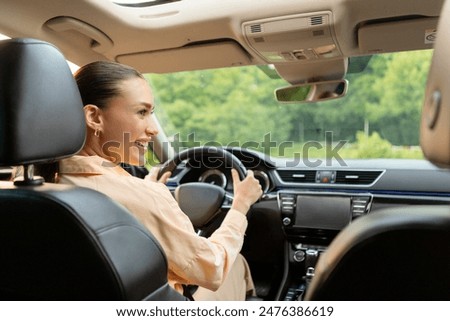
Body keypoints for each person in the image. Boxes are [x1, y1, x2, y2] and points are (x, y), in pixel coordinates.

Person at [50, 61, 263, 300]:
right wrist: (240, 207)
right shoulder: (143, 197)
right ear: (93, 117)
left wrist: (149, 191)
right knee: (236, 263)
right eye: (142, 112)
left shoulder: (36, 184)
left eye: (151, 114)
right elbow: (212, 268)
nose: (153, 129)